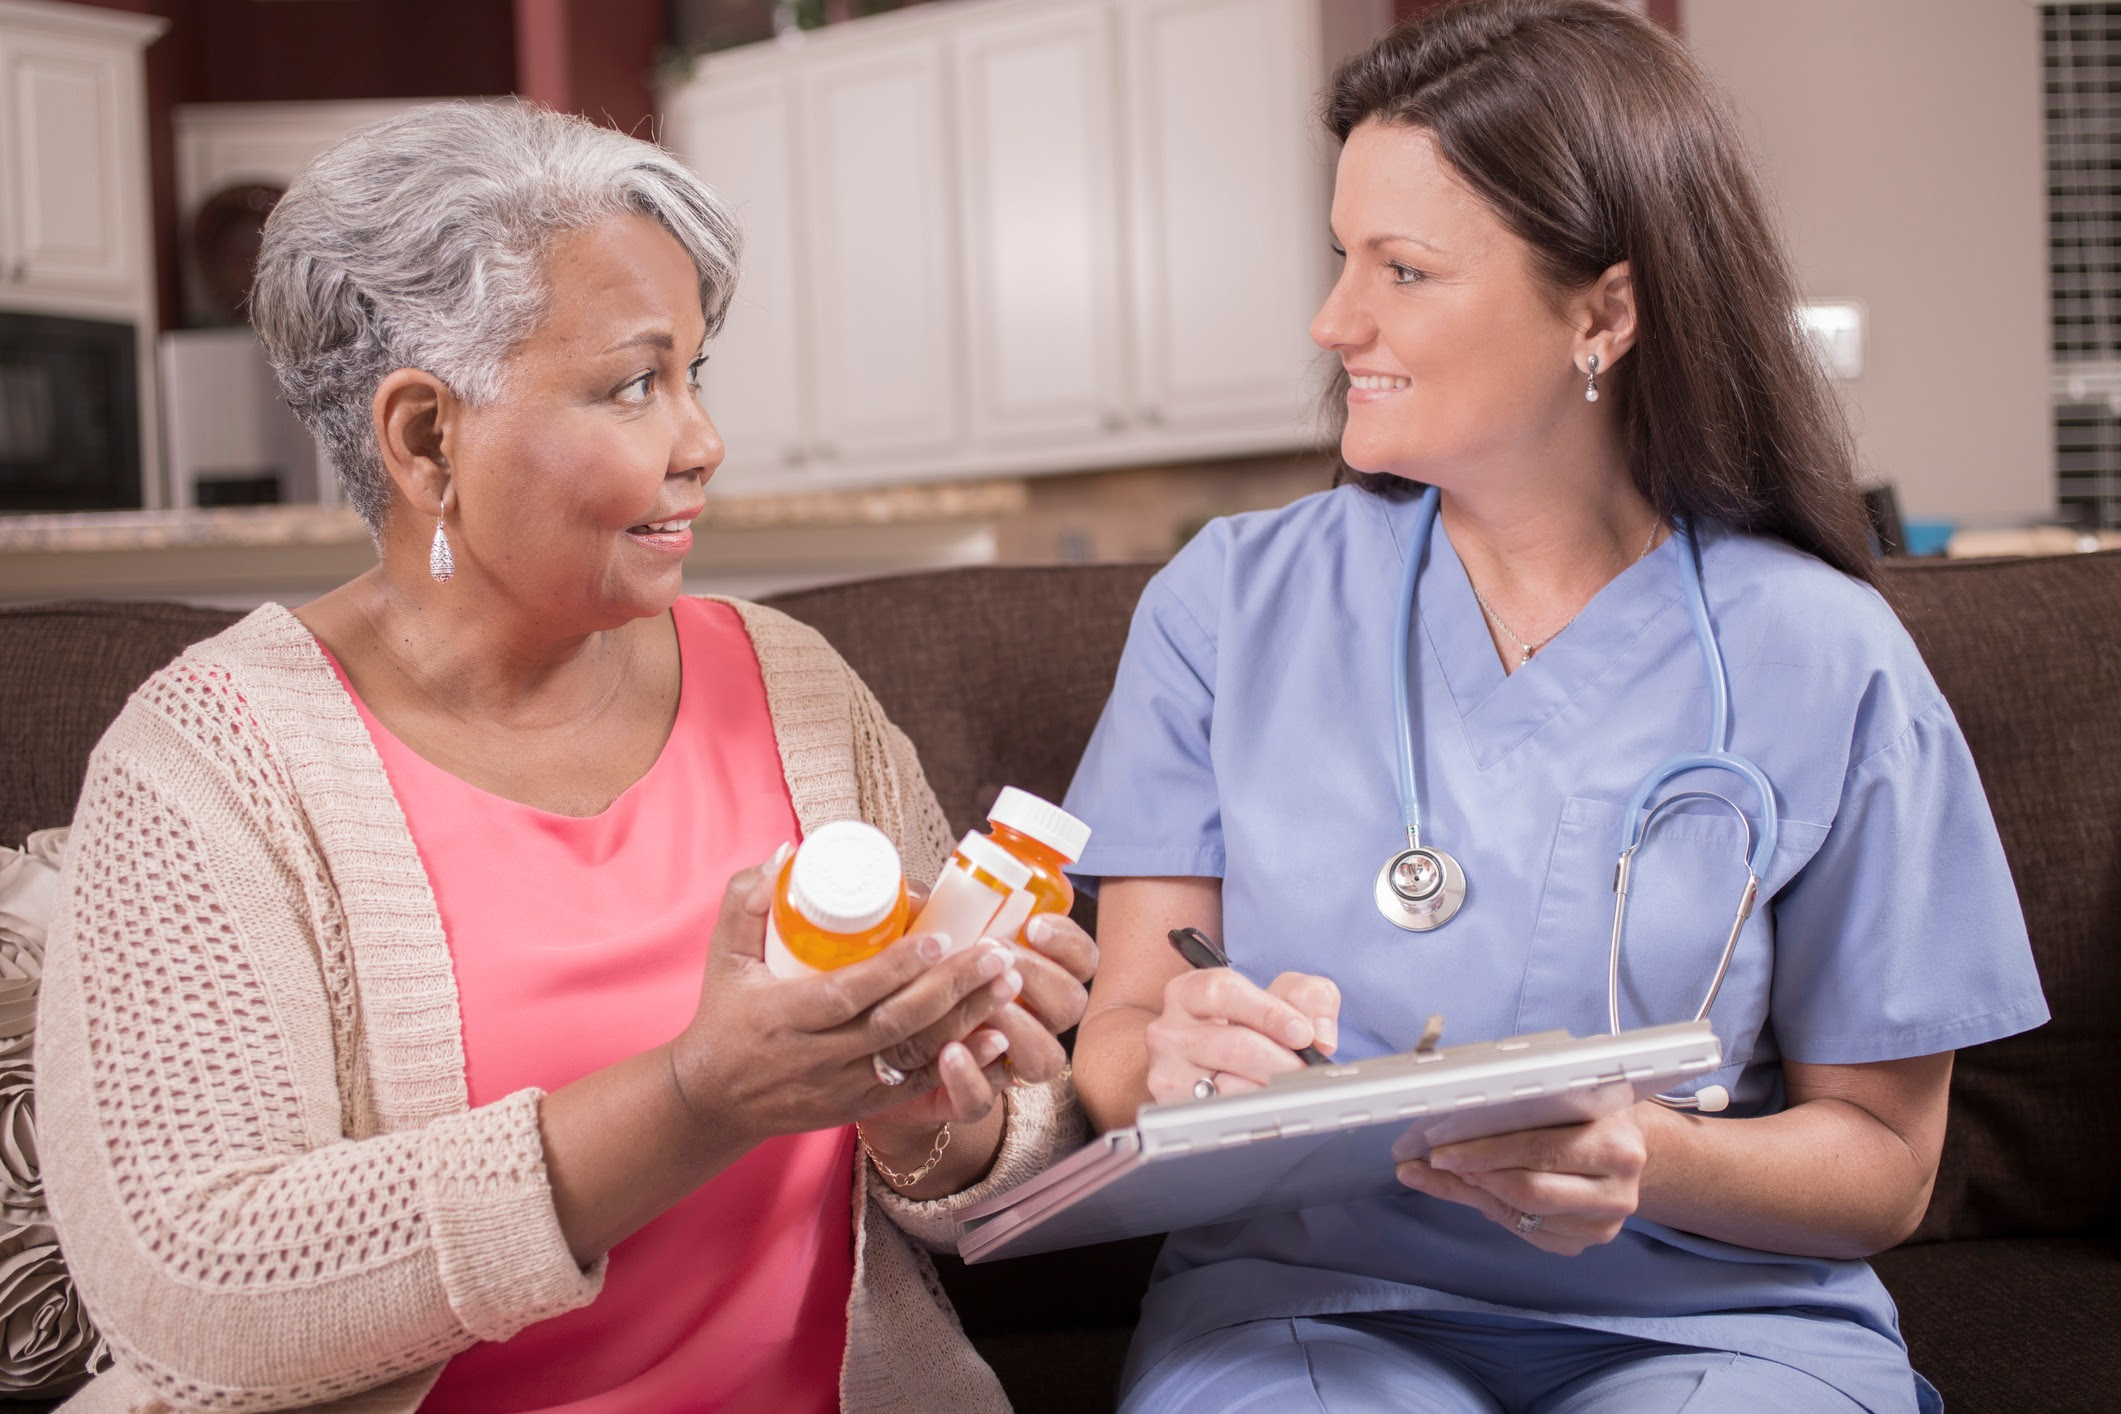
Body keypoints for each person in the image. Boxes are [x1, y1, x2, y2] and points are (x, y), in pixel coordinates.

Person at [38, 102, 1092, 1413]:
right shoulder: (207, 766)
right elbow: (189, 1286)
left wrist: (935, 1108)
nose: (700, 440)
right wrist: (695, 1100)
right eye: (633, 382)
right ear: (425, 437)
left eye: (697, 373)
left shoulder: (794, 684)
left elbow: (983, 1161)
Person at [1065, 4, 2047, 1411]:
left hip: (1719, 1315)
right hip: (1306, 1306)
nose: (1334, 320)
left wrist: (1648, 1154)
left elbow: (1883, 1164)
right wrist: (1163, 1064)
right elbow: (1118, 1039)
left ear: (1603, 310)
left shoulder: (1827, 656)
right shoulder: (1226, 605)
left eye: (1402, 269)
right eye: (1341, 257)